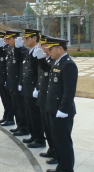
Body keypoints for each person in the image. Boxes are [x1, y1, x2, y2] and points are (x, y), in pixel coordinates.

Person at [45, 37, 77, 172]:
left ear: (60, 48)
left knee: (64, 142)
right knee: (58, 141)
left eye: (51, 48)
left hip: (62, 111)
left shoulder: (68, 64)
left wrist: (63, 110)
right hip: (54, 109)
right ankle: (61, 167)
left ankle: (67, 169)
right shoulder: (57, 63)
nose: (48, 51)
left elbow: (69, 91)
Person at [15, 29, 46, 148]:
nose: (26, 40)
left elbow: (39, 72)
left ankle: (40, 139)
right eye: (25, 38)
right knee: (29, 114)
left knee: (36, 115)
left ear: (34, 38)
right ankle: (34, 135)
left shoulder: (38, 51)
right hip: (27, 88)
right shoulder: (29, 51)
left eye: (28, 38)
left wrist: (37, 87)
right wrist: (21, 83)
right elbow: (21, 65)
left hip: (33, 89)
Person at [34, 35, 58, 165]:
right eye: (43, 46)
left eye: (45, 46)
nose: (43, 48)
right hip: (42, 98)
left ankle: (56, 153)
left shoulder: (53, 62)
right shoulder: (45, 60)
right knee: (47, 128)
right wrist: (37, 88)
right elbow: (41, 78)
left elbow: (48, 72)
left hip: (49, 99)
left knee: (52, 129)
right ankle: (51, 149)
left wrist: (41, 60)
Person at [5, 30, 30, 136]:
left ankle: (24, 128)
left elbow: (21, 65)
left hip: (18, 83)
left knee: (21, 107)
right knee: (16, 106)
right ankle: (19, 125)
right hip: (12, 82)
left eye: (9, 39)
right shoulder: (11, 49)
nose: (7, 41)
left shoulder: (23, 50)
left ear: (16, 39)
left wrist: (18, 49)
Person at [0, 31, 15, 126]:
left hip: (5, 78)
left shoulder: (7, 49)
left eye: (1, 39)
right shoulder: (3, 49)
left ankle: (10, 118)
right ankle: (6, 116)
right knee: (4, 99)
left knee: (8, 100)